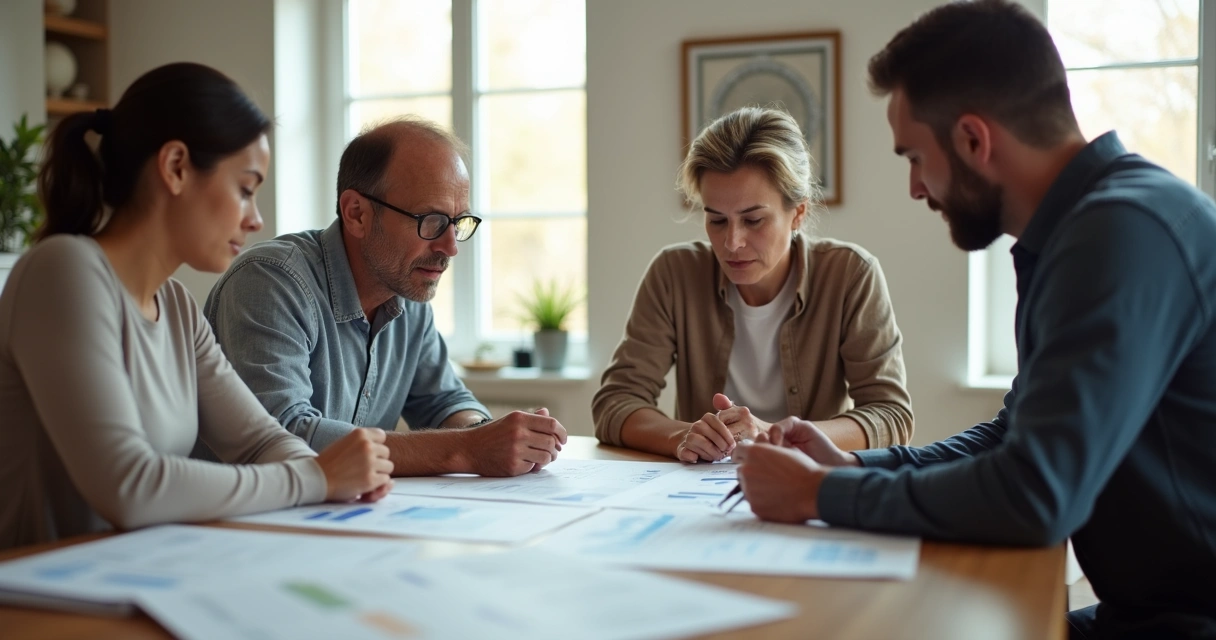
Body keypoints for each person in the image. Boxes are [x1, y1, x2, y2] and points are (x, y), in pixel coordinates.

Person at [733, 2, 1216, 637]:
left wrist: (816, 497)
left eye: (913, 157)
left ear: (972, 140)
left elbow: (1035, 494)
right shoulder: (1086, 230)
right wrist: (853, 470)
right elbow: (1013, 435)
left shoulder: (1118, 235)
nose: (914, 187)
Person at [0, 62, 392, 551]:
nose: (256, 219)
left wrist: (333, 476)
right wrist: (316, 479)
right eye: (246, 189)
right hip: (36, 599)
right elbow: (130, 486)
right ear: (176, 167)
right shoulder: (63, 272)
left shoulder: (177, 308)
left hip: (130, 576)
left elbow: (259, 441)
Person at [203, 117, 567, 478]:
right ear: (356, 213)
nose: (451, 247)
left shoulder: (405, 292)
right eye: (432, 221)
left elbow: (444, 402)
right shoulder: (271, 281)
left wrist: (488, 433)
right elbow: (282, 437)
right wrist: (467, 449)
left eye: (458, 223)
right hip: (231, 525)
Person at [593, 107, 913, 463]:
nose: (732, 242)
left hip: (806, 487)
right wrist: (684, 436)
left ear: (799, 213)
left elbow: (891, 415)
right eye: (716, 220)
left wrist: (776, 435)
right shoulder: (674, 273)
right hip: (696, 494)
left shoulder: (852, 275)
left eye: (754, 220)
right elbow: (615, 403)